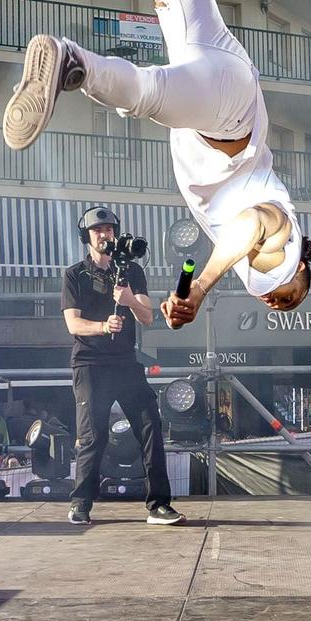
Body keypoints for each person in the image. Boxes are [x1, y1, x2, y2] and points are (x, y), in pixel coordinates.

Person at [2, 0, 311, 323]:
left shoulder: (246, 261)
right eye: (291, 298)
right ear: (301, 268)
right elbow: (253, 222)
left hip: (219, 75)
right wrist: (198, 288)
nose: (277, 302)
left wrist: (183, 295)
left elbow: (237, 237)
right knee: (148, 93)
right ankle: (74, 64)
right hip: (224, 118)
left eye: (278, 305)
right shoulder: (281, 256)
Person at [58, 206, 182, 526]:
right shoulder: (75, 275)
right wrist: (102, 326)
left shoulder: (131, 271)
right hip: (90, 364)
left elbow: (147, 316)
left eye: (109, 229)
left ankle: (158, 504)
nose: (105, 234)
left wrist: (128, 300)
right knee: (92, 435)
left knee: (150, 426)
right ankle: (81, 502)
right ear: (86, 236)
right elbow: (73, 324)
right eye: (98, 230)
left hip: (126, 363)